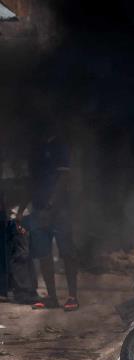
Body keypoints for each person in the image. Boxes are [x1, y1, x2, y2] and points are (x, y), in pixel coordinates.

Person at [29, 133, 79, 311]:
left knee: (67, 253)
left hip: (59, 210)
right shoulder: (36, 145)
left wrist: (50, 207)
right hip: (38, 208)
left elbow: (63, 179)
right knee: (44, 254)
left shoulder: (59, 144)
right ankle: (51, 296)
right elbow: (32, 180)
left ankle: (72, 296)